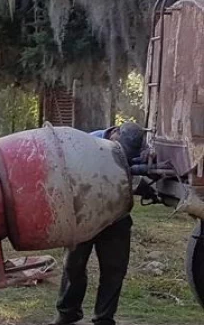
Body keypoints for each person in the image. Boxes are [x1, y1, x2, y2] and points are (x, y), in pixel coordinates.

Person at [51, 122, 146, 325]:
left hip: (116, 216)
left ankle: (104, 319)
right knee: (73, 266)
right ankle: (68, 313)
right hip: (85, 212)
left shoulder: (139, 149)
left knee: (114, 270)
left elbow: (140, 176)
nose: (125, 156)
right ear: (115, 134)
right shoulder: (85, 141)